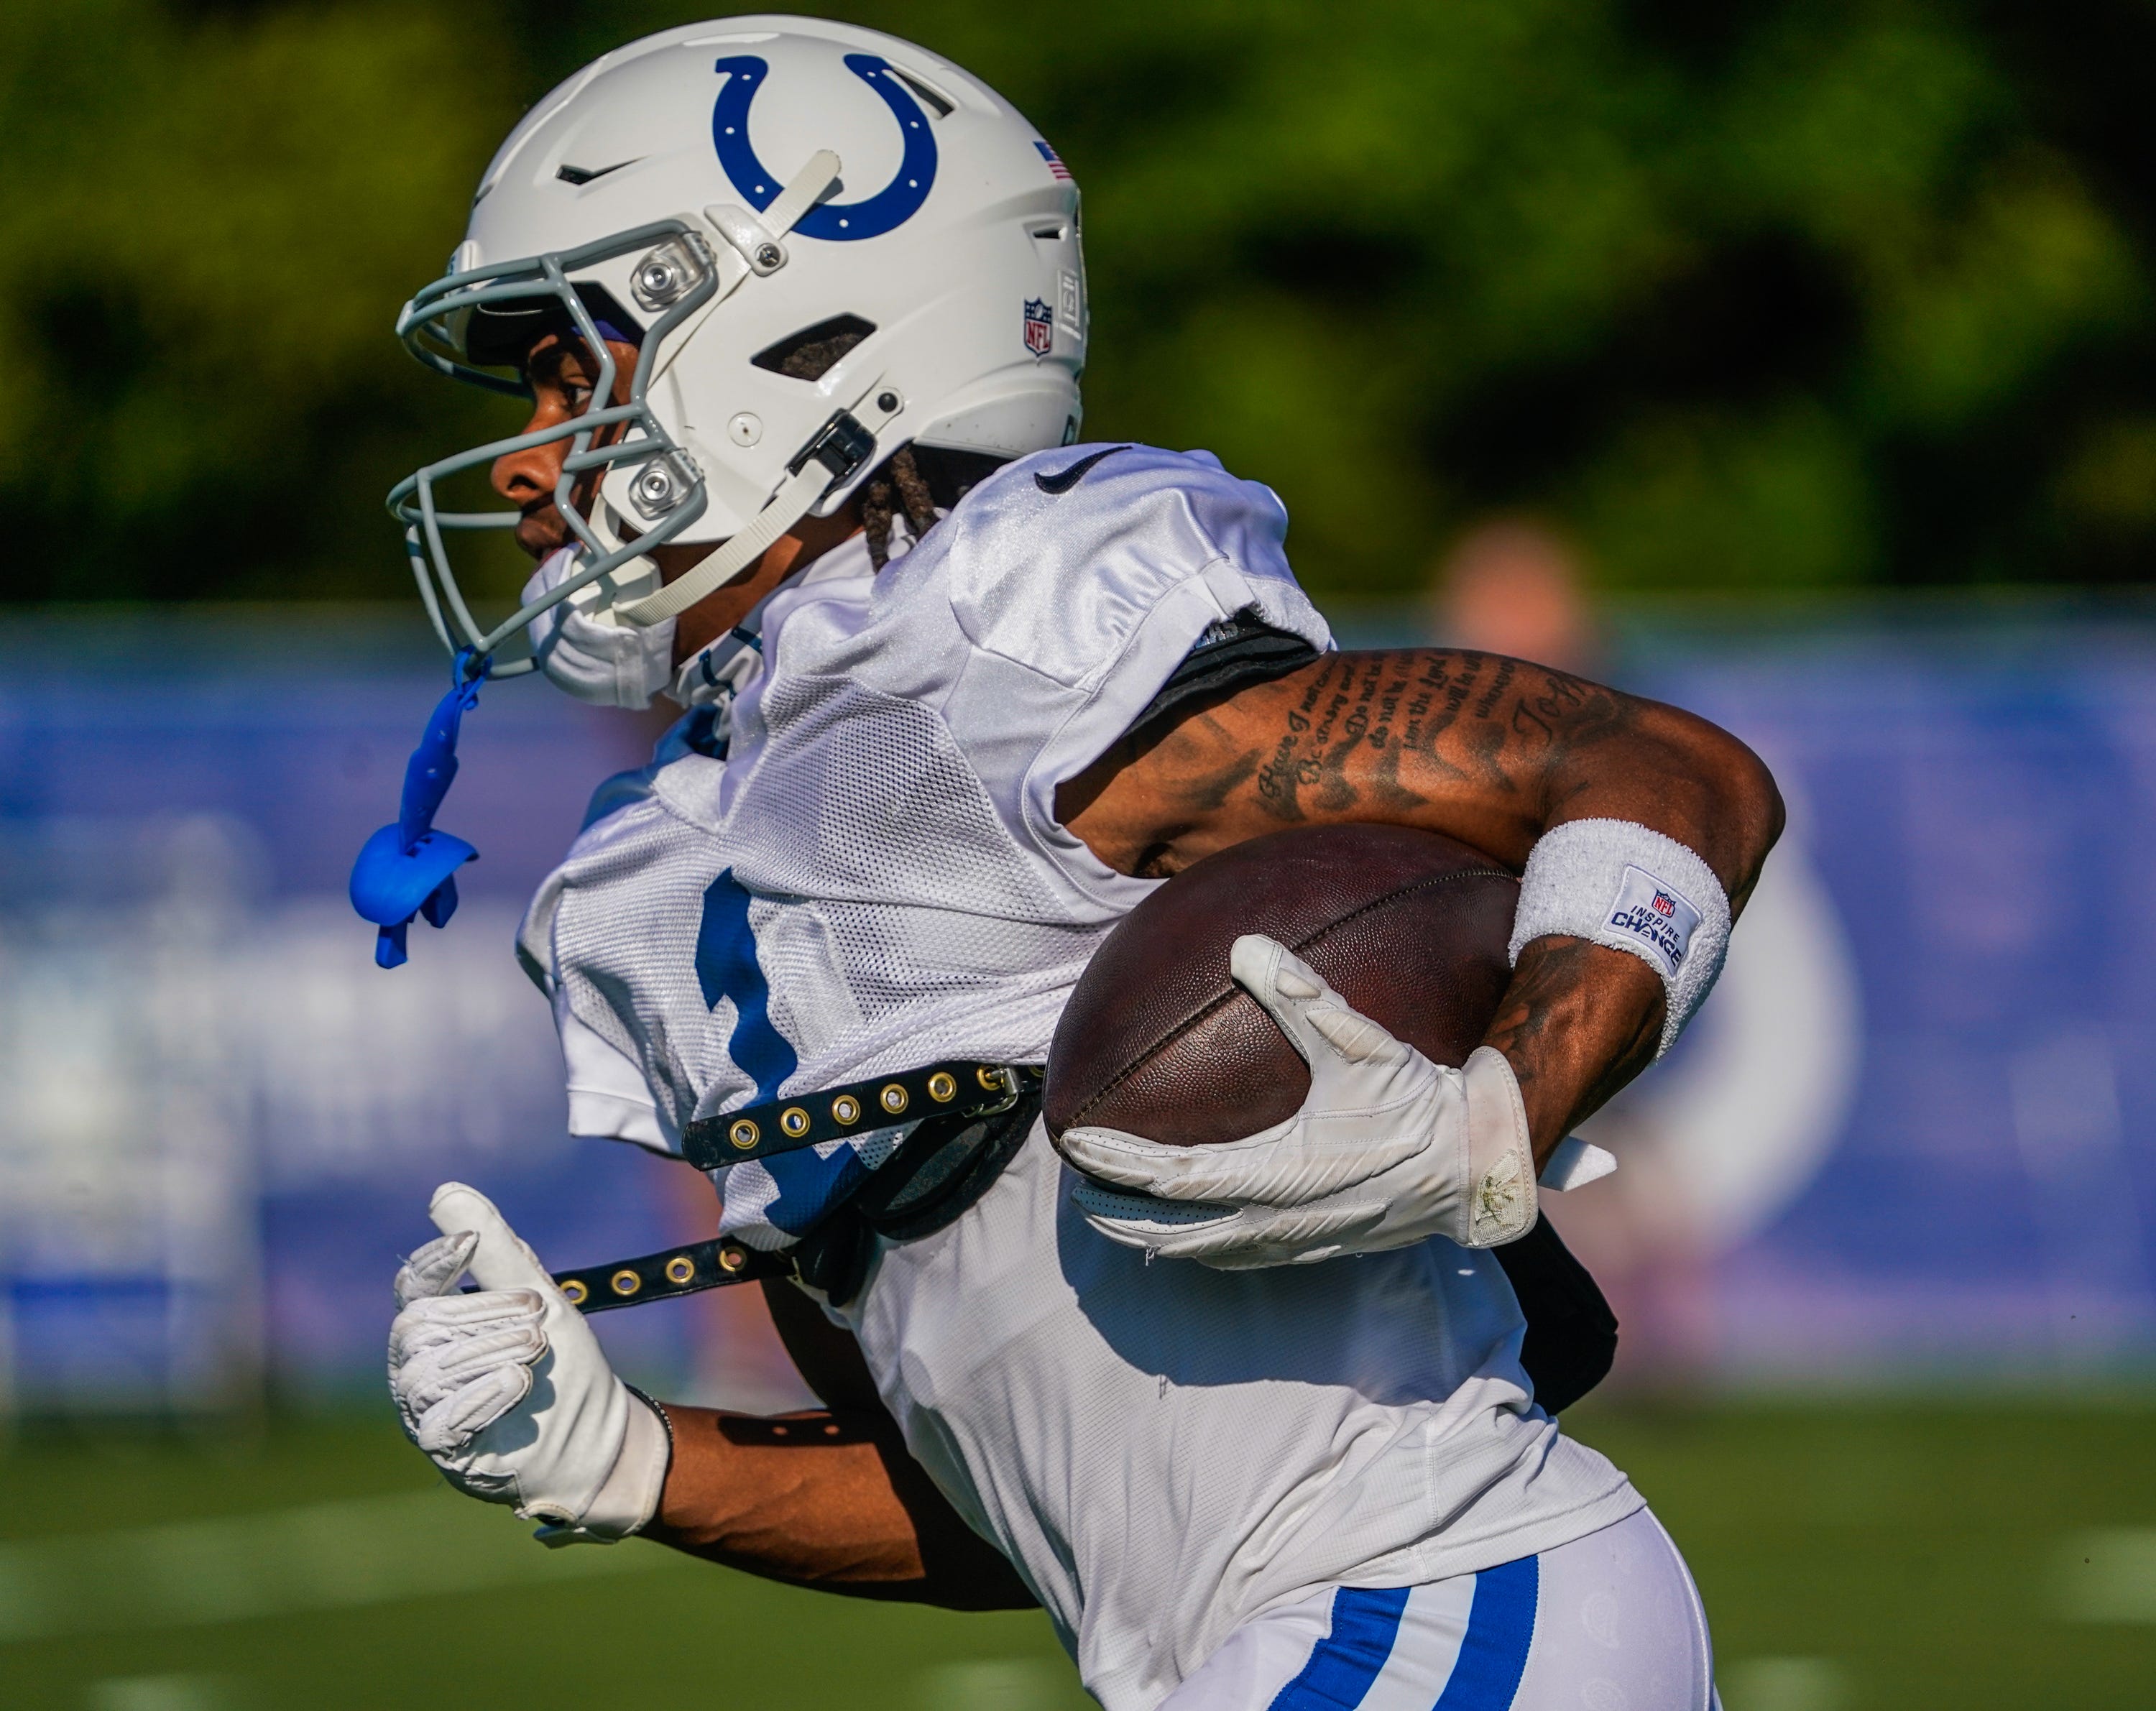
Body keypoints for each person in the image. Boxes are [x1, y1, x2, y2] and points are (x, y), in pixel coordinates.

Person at [379, 20, 1779, 1710]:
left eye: (572, 372)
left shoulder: (995, 638)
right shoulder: (655, 885)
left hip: (1428, 1595)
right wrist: (631, 1461)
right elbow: (1006, 1516)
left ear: (800, 335)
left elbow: (1663, 773)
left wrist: (1500, 1113)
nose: (531, 465)